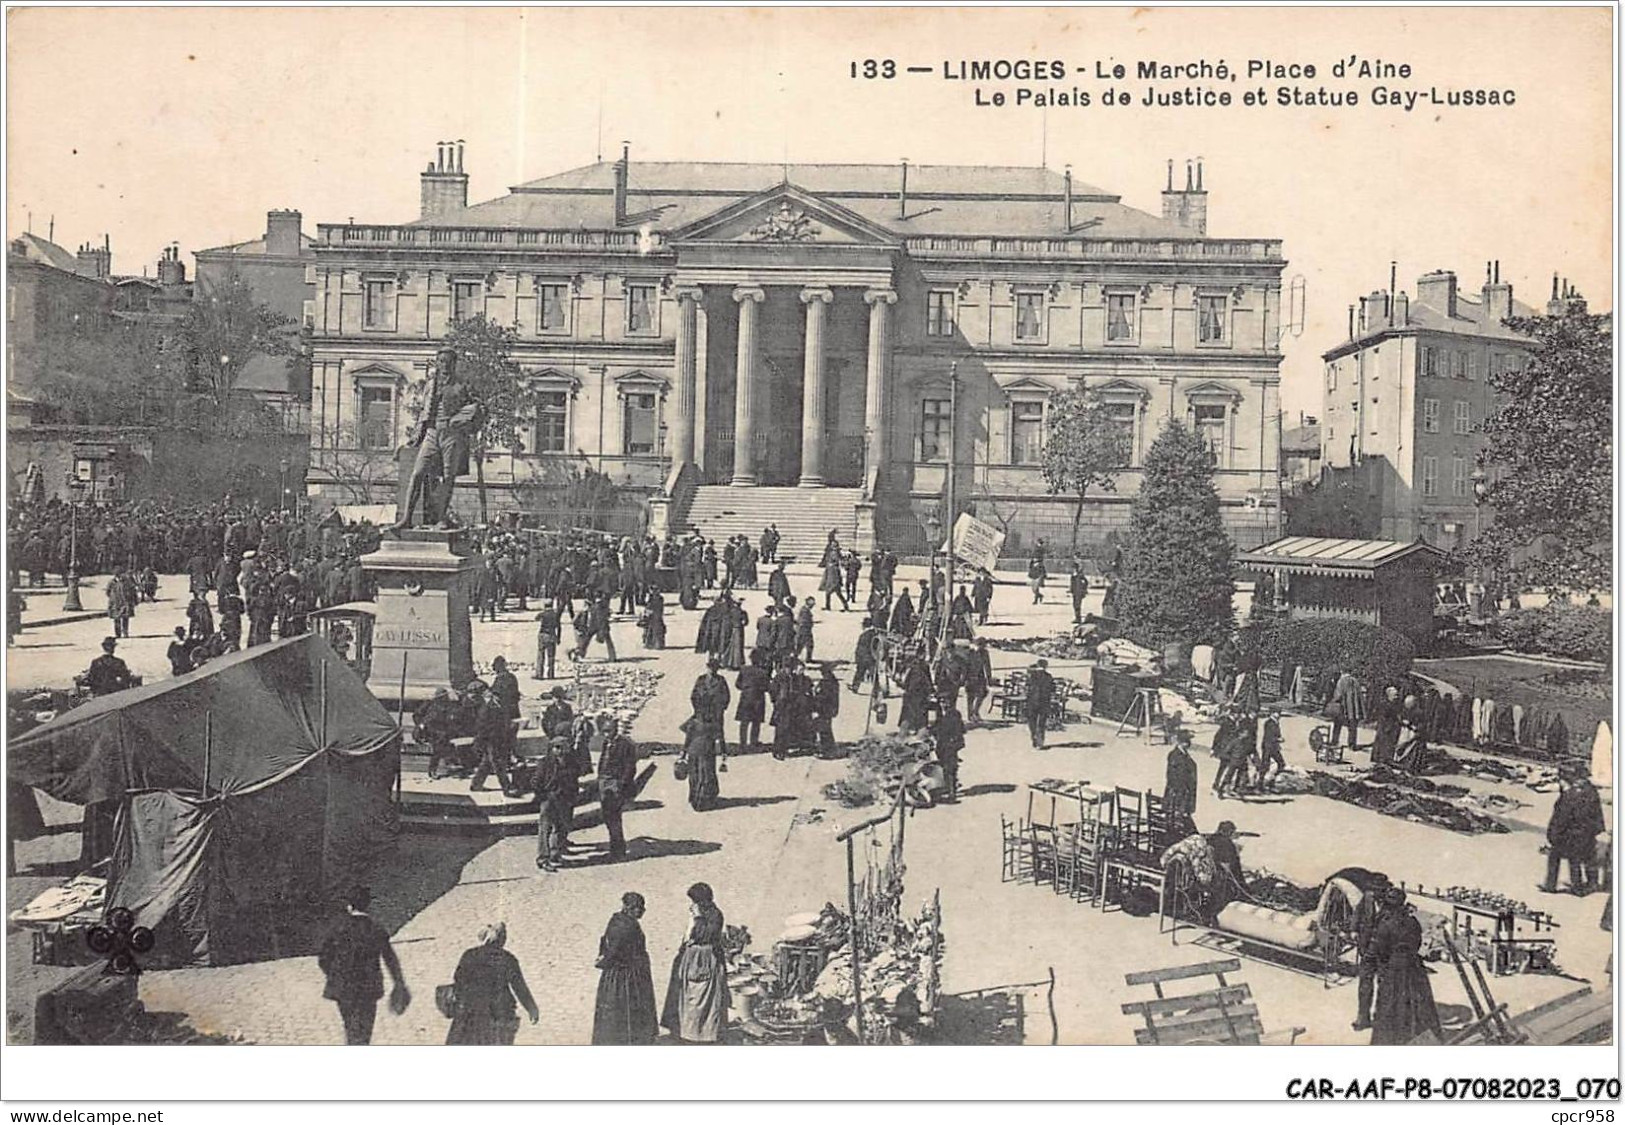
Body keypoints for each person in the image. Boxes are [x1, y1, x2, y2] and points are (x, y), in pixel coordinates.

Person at [317, 885, 409, 1045]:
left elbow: (324, 958)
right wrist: (398, 983)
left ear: (349, 906)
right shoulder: (375, 928)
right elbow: (390, 958)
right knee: (364, 1030)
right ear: (368, 905)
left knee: (350, 1026)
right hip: (368, 987)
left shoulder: (338, 928)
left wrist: (334, 974)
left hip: (343, 987)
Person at [1368, 886, 1443, 1045]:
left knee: (1390, 1005)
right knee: (1417, 1004)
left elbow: (1380, 951)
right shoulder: (1413, 921)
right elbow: (1417, 943)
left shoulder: (1385, 924)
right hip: (1414, 966)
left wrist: (1384, 966)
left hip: (1393, 968)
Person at [445, 922, 539, 1045]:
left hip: (470, 1012)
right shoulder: (508, 958)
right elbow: (519, 987)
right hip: (499, 1012)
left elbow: (458, 979)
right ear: (501, 939)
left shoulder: (469, 955)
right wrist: (532, 1008)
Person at [661, 883, 730, 1043]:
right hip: (692, 958)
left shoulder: (714, 915)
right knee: (688, 996)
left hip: (704, 960)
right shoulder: (700, 912)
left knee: (702, 997)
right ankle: (687, 1030)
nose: (693, 904)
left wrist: (697, 918)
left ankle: (701, 1034)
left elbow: (703, 936)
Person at [593, 893, 659, 1044]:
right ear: (630, 908)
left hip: (620, 972)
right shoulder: (627, 926)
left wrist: (602, 958)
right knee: (629, 1007)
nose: (643, 911)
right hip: (627, 974)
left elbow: (604, 942)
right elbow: (614, 950)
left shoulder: (617, 919)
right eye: (639, 908)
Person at [1542, 771, 1605, 895]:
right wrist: (1596, 830)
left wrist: (1553, 835)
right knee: (1586, 858)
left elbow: (1560, 818)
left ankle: (1552, 885)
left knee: (1558, 856)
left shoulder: (1569, 796)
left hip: (1570, 835)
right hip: (1586, 833)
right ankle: (1588, 884)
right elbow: (1597, 813)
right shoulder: (1590, 791)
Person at [596, 715, 637, 861]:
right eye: (604, 731)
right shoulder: (606, 743)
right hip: (604, 782)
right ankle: (616, 847)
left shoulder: (625, 744)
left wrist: (621, 784)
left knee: (614, 817)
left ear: (615, 730)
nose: (607, 734)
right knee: (608, 817)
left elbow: (630, 767)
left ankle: (618, 850)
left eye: (609, 730)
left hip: (615, 783)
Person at [533, 738, 573, 872]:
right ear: (551, 749)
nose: (559, 750)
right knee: (545, 829)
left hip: (563, 799)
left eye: (562, 747)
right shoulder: (544, 763)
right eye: (556, 747)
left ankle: (555, 854)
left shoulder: (570, 762)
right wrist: (543, 795)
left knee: (561, 827)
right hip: (549, 799)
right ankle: (543, 858)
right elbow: (536, 781)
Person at [683, 716, 721, 812]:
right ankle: (702, 800)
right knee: (705, 775)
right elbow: (720, 737)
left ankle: (694, 797)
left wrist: (683, 752)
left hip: (695, 750)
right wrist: (723, 752)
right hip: (707, 751)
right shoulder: (713, 722)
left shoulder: (693, 722)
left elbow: (687, 738)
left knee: (695, 775)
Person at [735, 651, 771, 753]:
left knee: (744, 722)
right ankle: (753, 742)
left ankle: (742, 743)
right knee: (756, 722)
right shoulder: (763, 672)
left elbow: (737, 684)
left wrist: (746, 688)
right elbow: (767, 687)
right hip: (758, 699)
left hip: (745, 697)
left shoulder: (744, 669)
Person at [931, 703, 966, 800]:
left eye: (946, 701)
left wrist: (954, 740)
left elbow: (961, 729)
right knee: (943, 765)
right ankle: (947, 786)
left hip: (951, 743)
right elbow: (936, 726)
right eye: (941, 701)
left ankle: (952, 791)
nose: (943, 703)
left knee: (950, 767)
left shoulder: (954, 714)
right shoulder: (939, 712)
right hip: (941, 744)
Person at [1327, 667, 1365, 752]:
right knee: (1352, 726)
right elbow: (1360, 696)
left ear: (1342, 671)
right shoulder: (1355, 681)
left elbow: (1338, 695)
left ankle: (1334, 741)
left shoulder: (1341, 681)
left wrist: (1332, 701)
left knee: (1337, 724)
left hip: (1343, 708)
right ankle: (1352, 744)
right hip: (1353, 708)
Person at [1165, 729, 1199, 819]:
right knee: (1178, 814)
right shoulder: (1175, 755)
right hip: (1180, 790)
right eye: (1186, 742)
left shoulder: (1184, 754)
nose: (1188, 744)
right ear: (1181, 742)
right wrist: (1183, 788)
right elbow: (1172, 775)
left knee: (1184, 814)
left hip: (1186, 790)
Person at [898, 652, 933, 734]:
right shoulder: (918, 667)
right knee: (917, 718)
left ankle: (912, 732)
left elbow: (906, 683)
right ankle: (914, 731)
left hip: (915, 696)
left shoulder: (916, 668)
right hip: (916, 696)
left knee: (910, 717)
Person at [1025, 659, 1055, 749]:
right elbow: (1053, 688)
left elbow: (1027, 685)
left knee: (1032, 720)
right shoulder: (1049, 676)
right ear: (1046, 667)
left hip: (1032, 701)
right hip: (1044, 701)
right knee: (1041, 722)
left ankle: (1033, 735)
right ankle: (1040, 740)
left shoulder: (1032, 676)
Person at [812, 663, 841, 757]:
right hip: (830, 709)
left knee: (824, 730)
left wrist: (815, 694)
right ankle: (829, 749)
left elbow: (823, 697)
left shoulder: (827, 682)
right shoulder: (833, 681)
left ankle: (827, 751)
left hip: (824, 709)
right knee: (826, 729)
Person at [1371, 684, 1403, 767]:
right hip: (1386, 725)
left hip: (1390, 725)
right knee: (1384, 741)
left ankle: (1385, 758)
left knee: (1389, 742)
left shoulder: (1395, 704)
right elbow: (1383, 715)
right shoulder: (1385, 704)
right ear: (1389, 695)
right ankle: (1382, 758)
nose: (1396, 697)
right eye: (1395, 695)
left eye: (1397, 695)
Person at [965, 637, 992, 725]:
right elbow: (965, 666)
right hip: (970, 677)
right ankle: (970, 715)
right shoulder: (970, 653)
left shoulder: (985, 653)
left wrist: (989, 678)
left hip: (980, 677)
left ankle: (975, 711)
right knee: (970, 697)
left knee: (983, 693)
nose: (982, 647)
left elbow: (987, 666)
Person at [534, 603, 560, 680]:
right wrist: (558, 638)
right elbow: (559, 627)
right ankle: (551, 674)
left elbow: (536, 618)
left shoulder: (543, 614)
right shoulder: (555, 615)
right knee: (551, 656)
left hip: (543, 634)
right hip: (552, 635)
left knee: (541, 655)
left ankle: (539, 674)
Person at [796, 597, 816, 662]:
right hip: (804, 631)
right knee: (802, 645)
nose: (813, 605)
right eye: (812, 604)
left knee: (807, 645)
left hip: (805, 630)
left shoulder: (805, 610)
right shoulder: (805, 611)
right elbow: (803, 622)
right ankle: (795, 658)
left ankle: (808, 658)